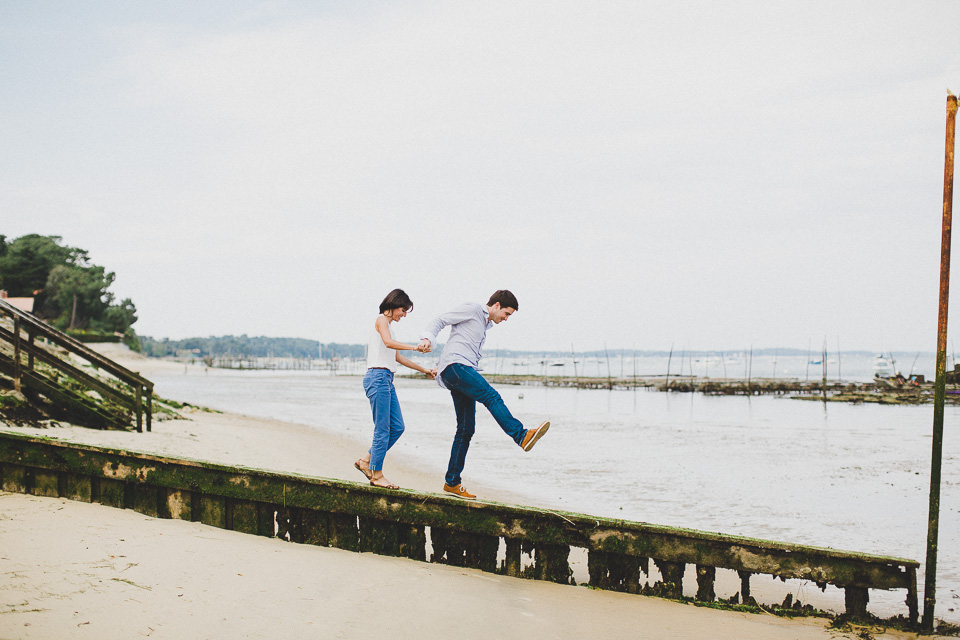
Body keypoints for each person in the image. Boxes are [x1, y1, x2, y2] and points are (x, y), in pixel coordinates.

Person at [419, 289, 550, 500]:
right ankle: (521, 435)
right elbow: (440, 320)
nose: (506, 319)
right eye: (506, 314)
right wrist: (427, 338)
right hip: (456, 366)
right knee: (492, 397)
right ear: (496, 305)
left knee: (466, 429)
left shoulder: (485, 324)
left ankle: (452, 482)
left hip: (459, 370)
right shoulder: (472, 310)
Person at [355, 289, 436, 490]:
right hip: (378, 377)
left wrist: (423, 369)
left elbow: (397, 357)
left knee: (397, 427)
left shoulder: (390, 327)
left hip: (387, 379)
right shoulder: (381, 320)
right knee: (382, 429)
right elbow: (388, 343)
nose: (404, 314)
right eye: (403, 309)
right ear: (393, 305)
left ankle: (366, 461)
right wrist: (416, 347)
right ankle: (377, 474)